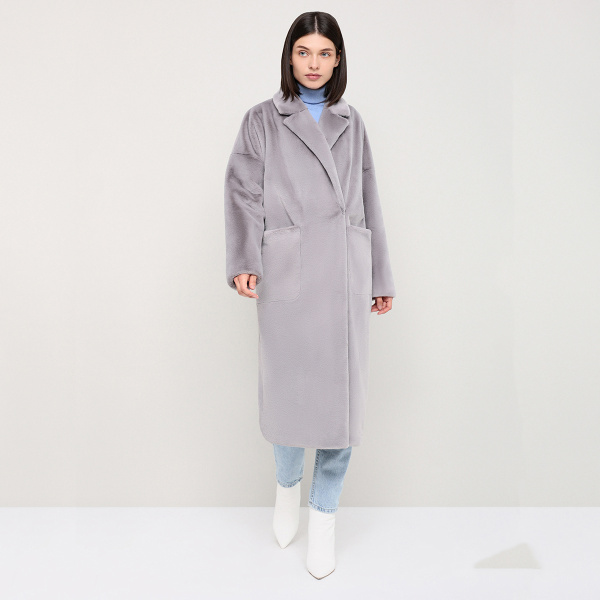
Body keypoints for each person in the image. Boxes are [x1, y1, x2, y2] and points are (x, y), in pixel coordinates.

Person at [224, 11, 395, 579]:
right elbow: (243, 192)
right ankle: (285, 489)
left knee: (341, 410)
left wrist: (379, 276)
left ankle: (323, 520)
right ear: (289, 56)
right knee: (288, 399)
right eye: (304, 52)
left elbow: (368, 195)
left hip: (344, 275)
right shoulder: (262, 120)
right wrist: (245, 260)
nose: (314, 64)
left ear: (338, 59)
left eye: (324, 53)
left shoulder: (352, 121)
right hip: (289, 273)